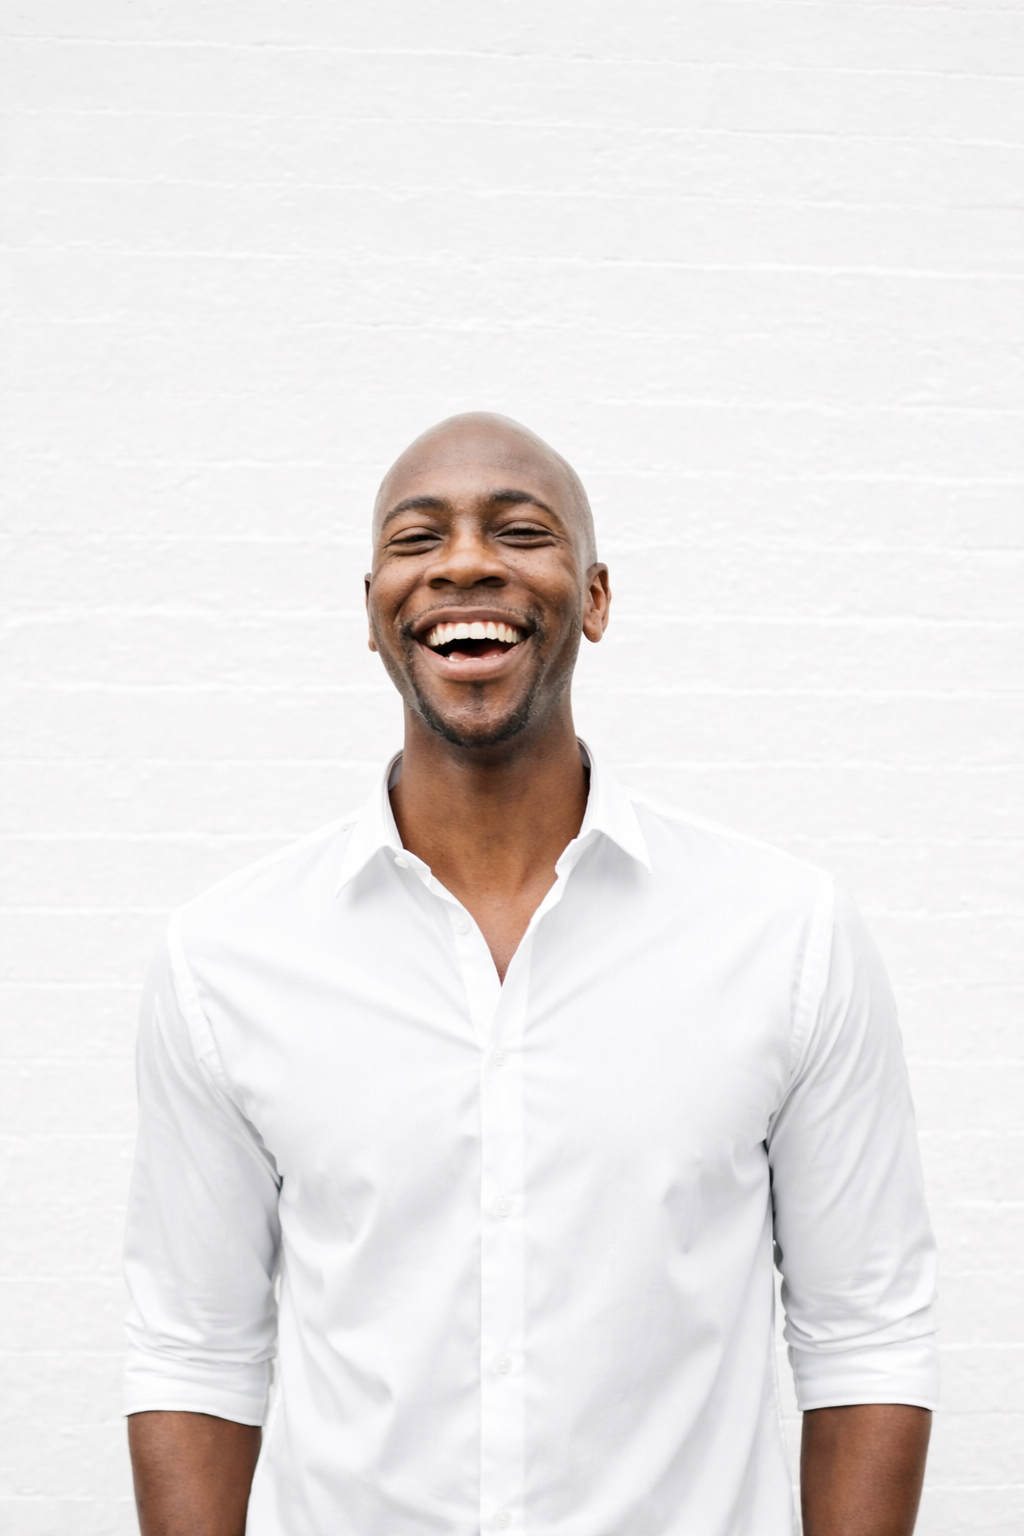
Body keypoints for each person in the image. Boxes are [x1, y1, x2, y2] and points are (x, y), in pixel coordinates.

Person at [123, 413, 938, 1536]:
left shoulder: (784, 933)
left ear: (595, 599)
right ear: (371, 613)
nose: (465, 562)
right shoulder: (226, 958)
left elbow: (864, 1332)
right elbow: (195, 1351)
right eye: (418, 540)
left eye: (519, 530)